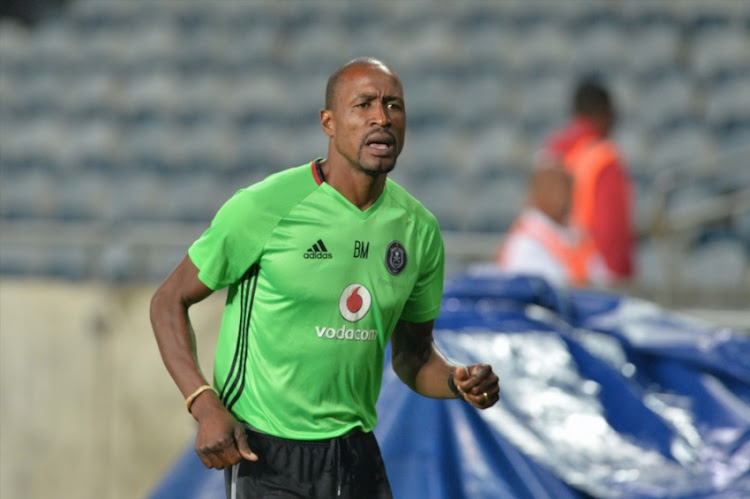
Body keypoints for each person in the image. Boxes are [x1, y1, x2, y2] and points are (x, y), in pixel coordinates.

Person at [150, 57, 500, 499]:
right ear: (328, 123)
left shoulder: (419, 230)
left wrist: (458, 380)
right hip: (267, 454)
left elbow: (414, 359)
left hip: (357, 456)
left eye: (394, 105)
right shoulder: (264, 206)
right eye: (364, 105)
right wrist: (203, 403)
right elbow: (168, 301)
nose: (381, 117)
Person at [539, 77, 635, 282]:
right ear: (603, 113)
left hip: (548, 266)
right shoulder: (604, 157)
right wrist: (621, 281)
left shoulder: (550, 150)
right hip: (589, 277)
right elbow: (612, 232)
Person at [493, 161, 612, 288]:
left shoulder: (573, 234)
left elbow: (603, 278)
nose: (560, 196)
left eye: (565, 187)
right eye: (551, 187)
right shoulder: (526, 241)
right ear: (535, 192)